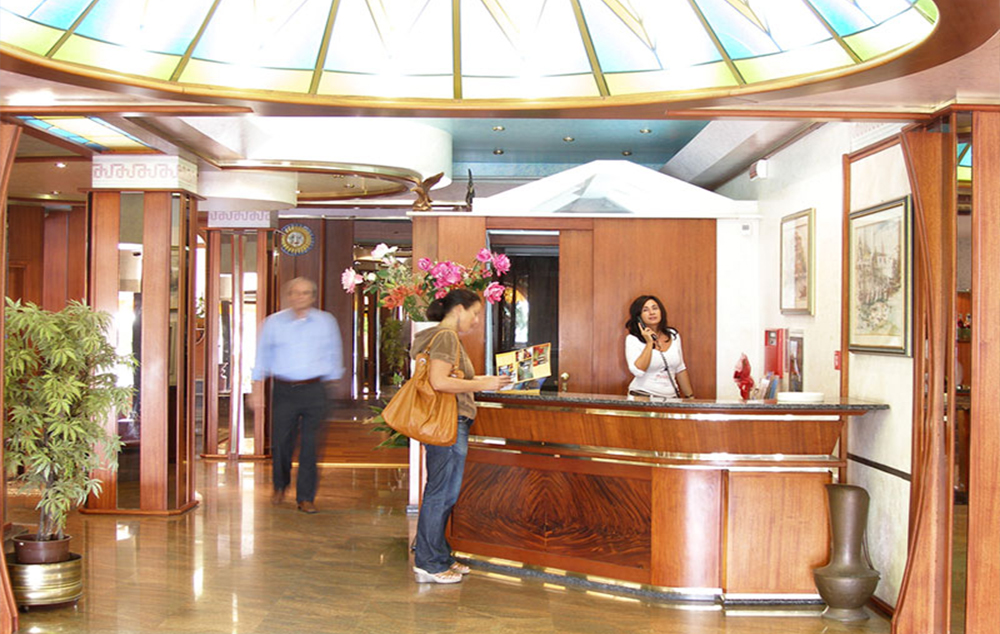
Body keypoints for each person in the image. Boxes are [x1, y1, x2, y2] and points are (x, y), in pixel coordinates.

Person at [411, 288, 512, 584]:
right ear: (458, 310)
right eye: (475, 313)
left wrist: (486, 381)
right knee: (441, 492)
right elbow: (439, 382)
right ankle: (428, 563)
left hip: (450, 420)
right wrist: (481, 385)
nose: (477, 320)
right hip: (449, 421)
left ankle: (439, 556)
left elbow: (453, 379)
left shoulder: (441, 336)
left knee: (444, 492)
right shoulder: (446, 337)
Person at [253, 277, 343, 514]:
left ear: (312, 297)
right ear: (288, 296)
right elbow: (262, 357)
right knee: (281, 443)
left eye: (305, 293)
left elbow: (334, 352)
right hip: (284, 390)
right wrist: (257, 389)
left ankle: (306, 497)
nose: (299, 297)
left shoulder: (325, 322)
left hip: (315, 390)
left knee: (311, 447)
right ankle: (280, 485)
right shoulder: (273, 323)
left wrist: (332, 382)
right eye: (295, 292)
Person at [624, 295, 695, 400]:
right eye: (645, 310)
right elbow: (638, 371)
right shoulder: (633, 339)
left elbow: (680, 368)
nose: (651, 312)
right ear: (639, 316)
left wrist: (690, 397)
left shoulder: (673, 335)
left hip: (671, 398)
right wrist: (649, 343)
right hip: (643, 396)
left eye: (655, 308)